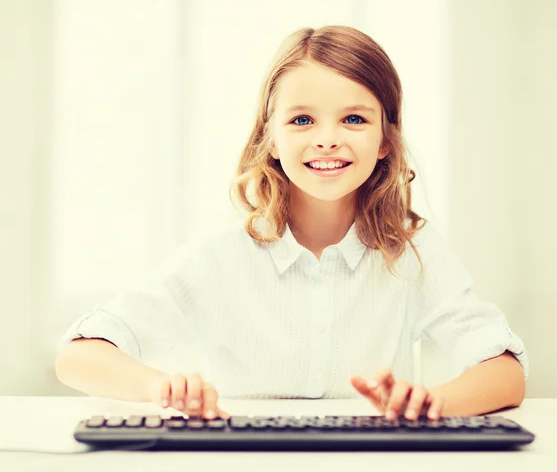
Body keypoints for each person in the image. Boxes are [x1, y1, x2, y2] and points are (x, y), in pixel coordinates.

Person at [55, 25, 528, 423]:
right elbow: (78, 357)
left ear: (386, 140)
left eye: (354, 119)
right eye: (302, 120)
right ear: (272, 140)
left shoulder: (410, 248)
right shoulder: (221, 252)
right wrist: (162, 387)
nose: (327, 139)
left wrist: (434, 404)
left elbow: (506, 373)